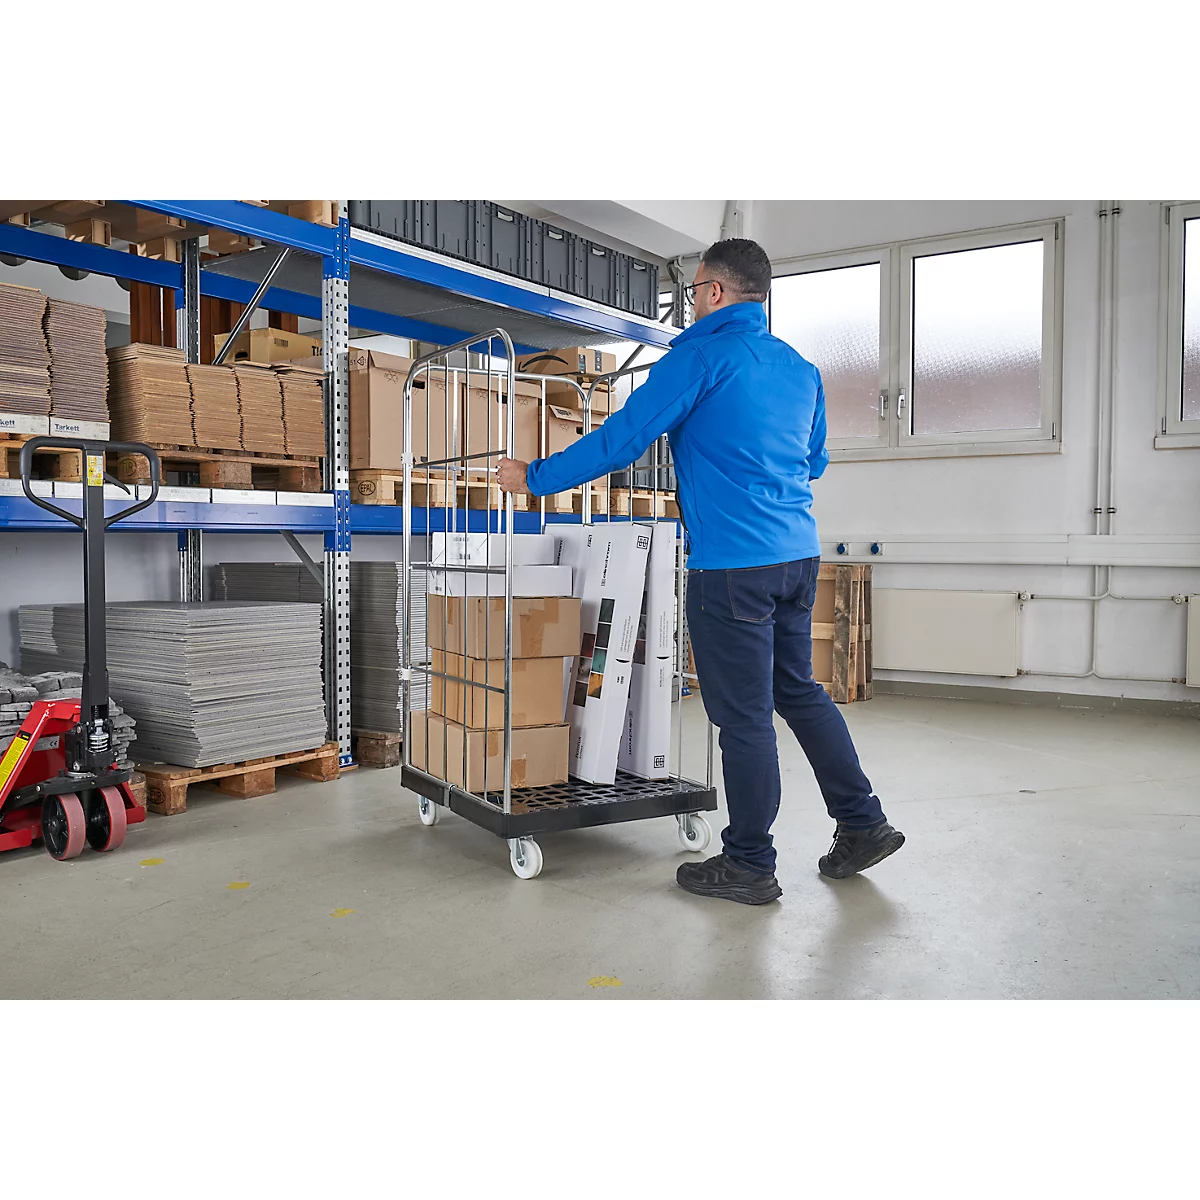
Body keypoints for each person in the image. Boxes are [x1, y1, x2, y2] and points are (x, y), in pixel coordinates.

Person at [497, 238, 904, 906]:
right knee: (798, 692)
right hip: (797, 556)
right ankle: (862, 822)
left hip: (733, 569)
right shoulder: (799, 368)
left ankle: (748, 862)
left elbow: (624, 438)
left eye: (693, 292)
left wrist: (533, 477)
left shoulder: (699, 358)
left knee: (742, 718)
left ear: (714, 291)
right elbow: (816, 461)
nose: (691, 304)